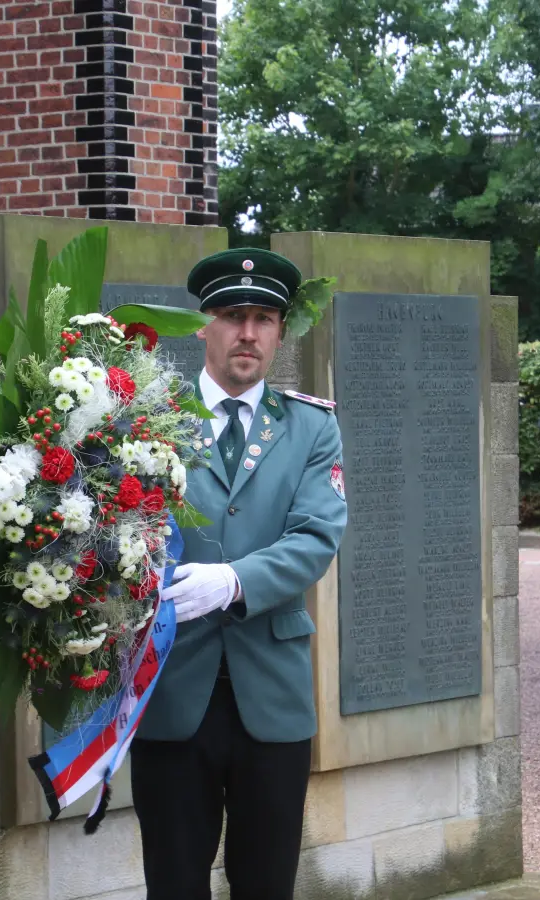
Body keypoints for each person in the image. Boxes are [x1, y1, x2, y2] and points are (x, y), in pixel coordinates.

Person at [131, 248, 348, 900]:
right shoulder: (150, 419)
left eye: (263, 317)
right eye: (232, 315)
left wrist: (232, 582)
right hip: (172, 693)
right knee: (173, 882)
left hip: (270, 699)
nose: (247, 332)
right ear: (204, 325)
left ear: (281, 330)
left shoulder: (311, 428)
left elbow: (316, 535)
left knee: (266, 883)